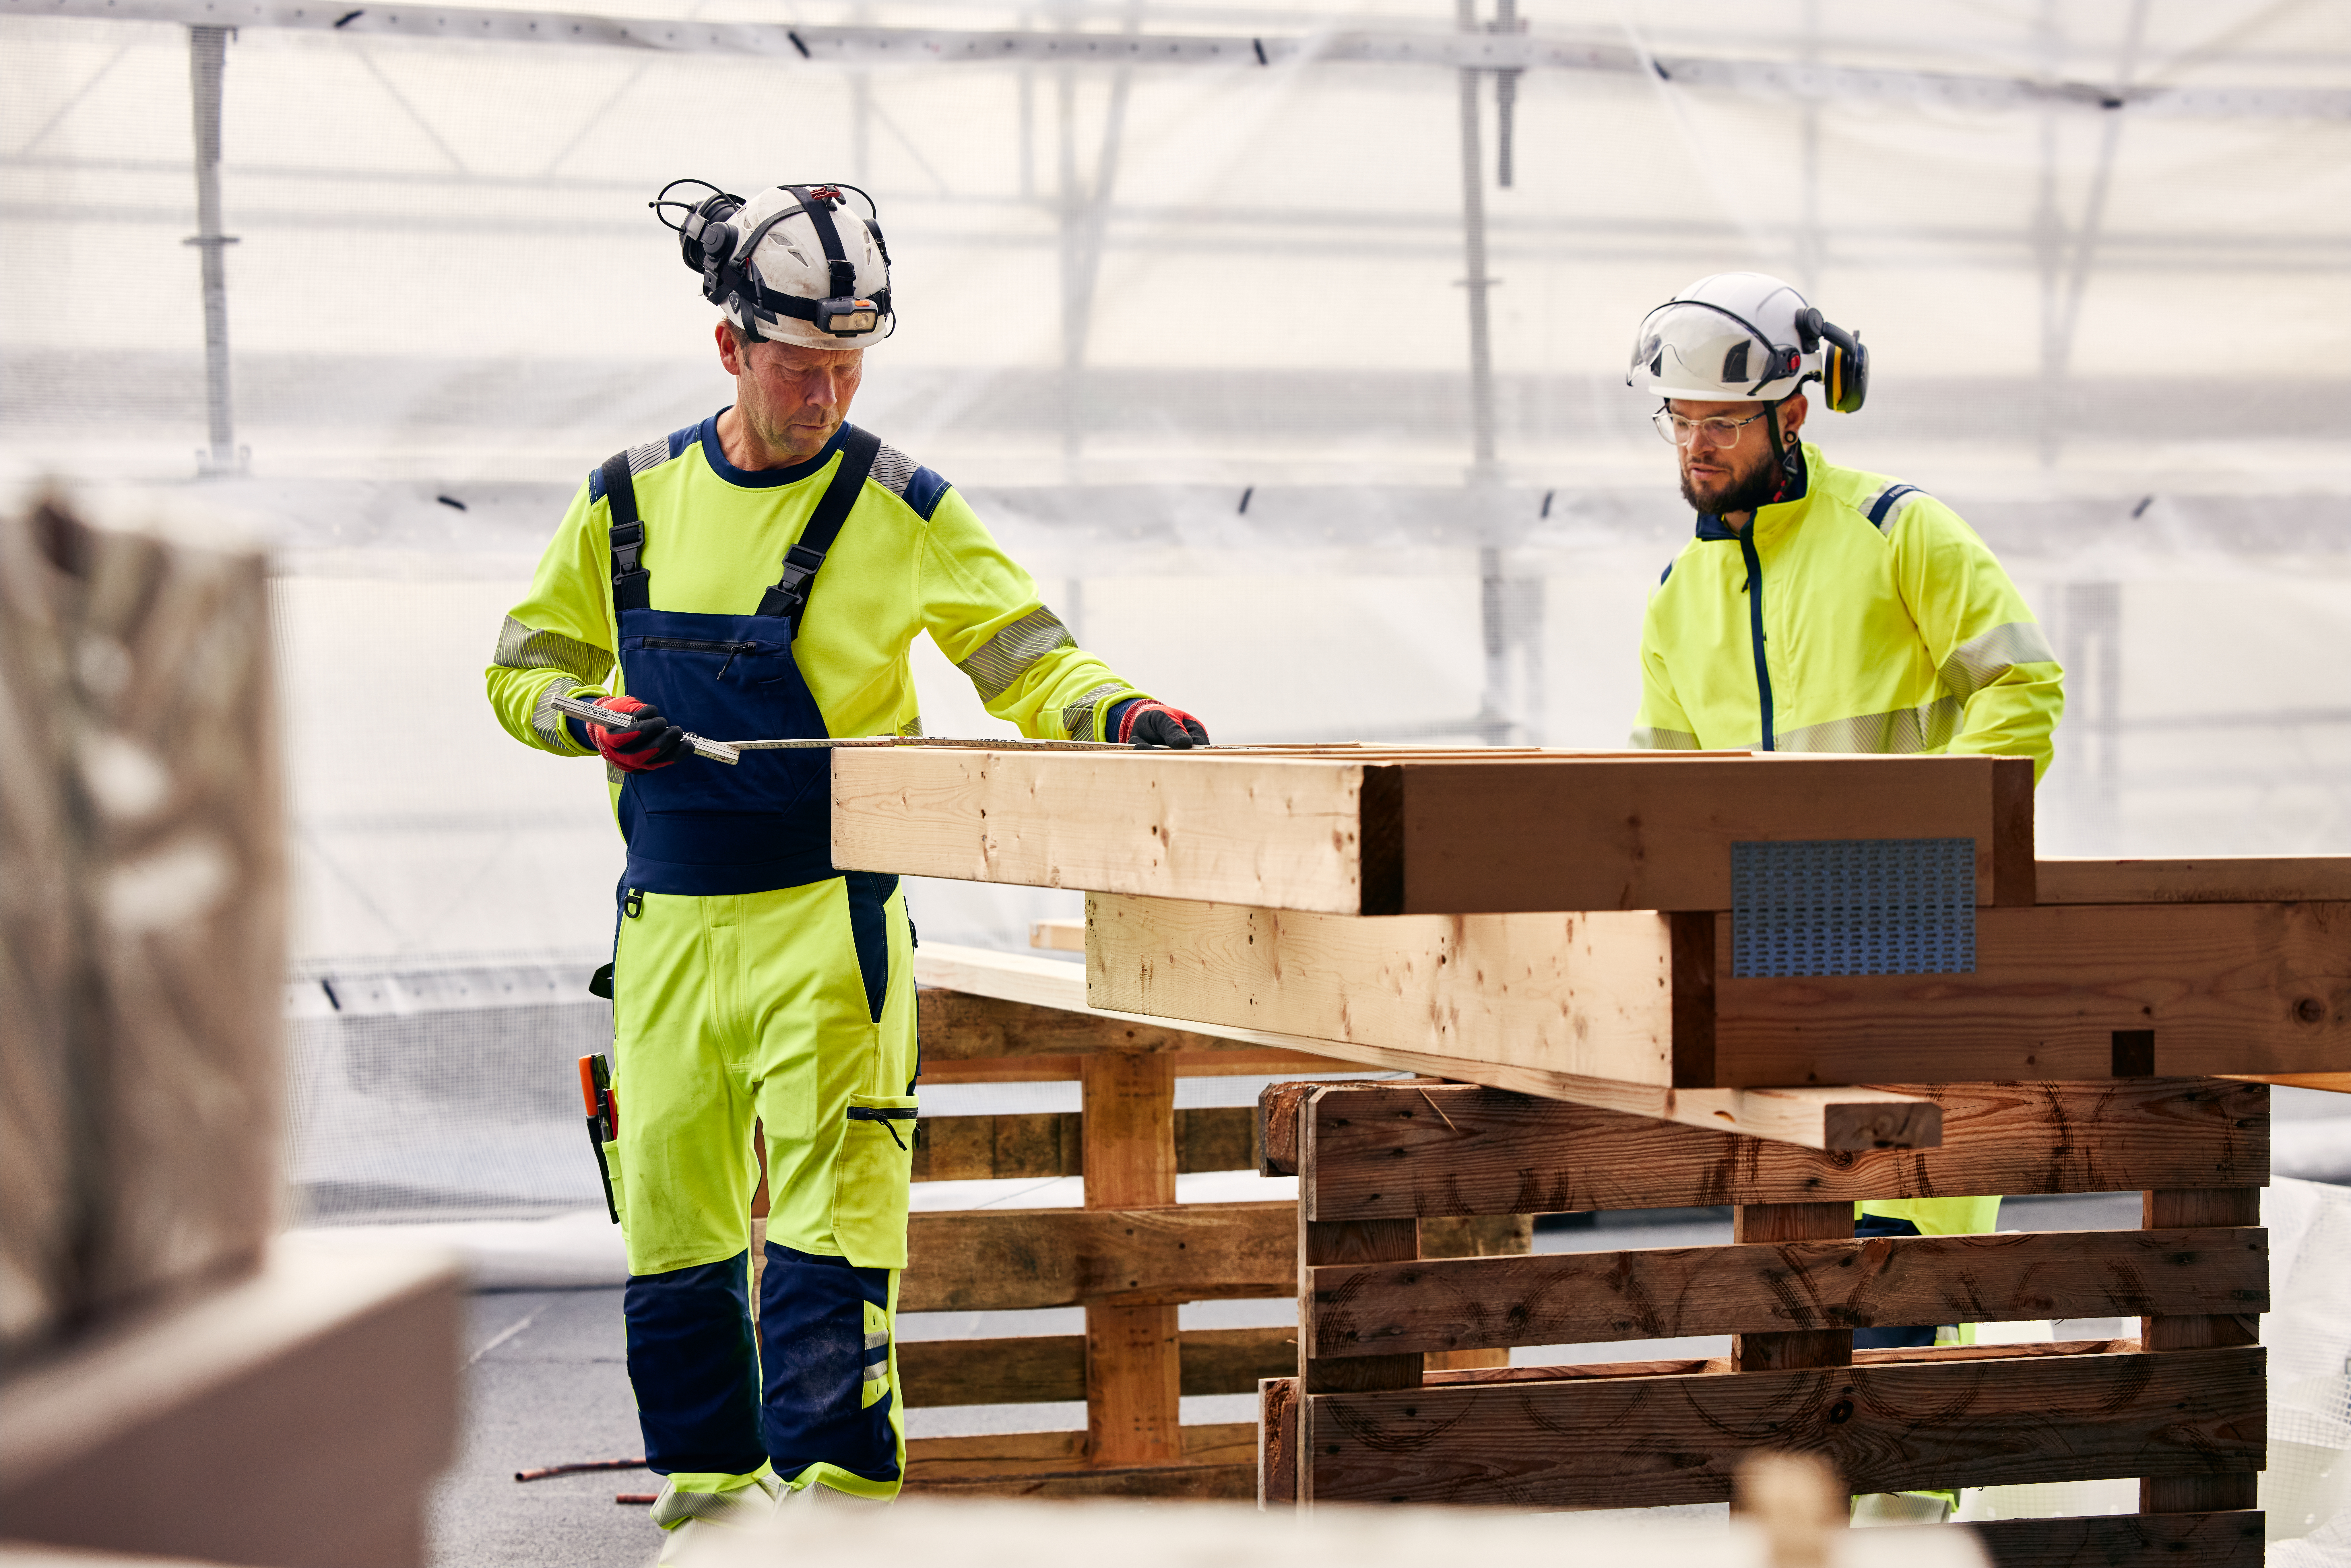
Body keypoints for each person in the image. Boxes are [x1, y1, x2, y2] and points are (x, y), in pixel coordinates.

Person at [484, 180, 1206, 1554]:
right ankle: (705, 1502)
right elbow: (520, 669)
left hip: (831, 926)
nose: (824, 396)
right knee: (675, 1231)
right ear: (729, 350)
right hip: (667, 934)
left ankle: (836, 1524)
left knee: (831, 1234)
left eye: (846, 369)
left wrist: (1115, 711)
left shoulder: (901, 504)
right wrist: (583, 719)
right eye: (799, 368)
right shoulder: (623, 502)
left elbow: (1026, 652)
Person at [1624, 272, 2063, 1521]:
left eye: (1721, 421)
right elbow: (1662, 805)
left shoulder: (1898, 530)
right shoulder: (1674, 598)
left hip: (1921, 966)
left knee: (1900, 1284)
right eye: (1677, 422)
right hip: (1769, 994)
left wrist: (1914, 865)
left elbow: (2021, 694)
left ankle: (1901, 1543)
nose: (1695, 447)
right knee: (1780, 1298)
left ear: (1793, 416)